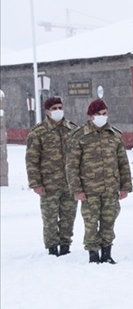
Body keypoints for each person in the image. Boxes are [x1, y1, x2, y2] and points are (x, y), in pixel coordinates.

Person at [66, 99, 132, 264]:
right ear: (90, 116)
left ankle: (107, 253)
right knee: (91, 223)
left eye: (104, 113)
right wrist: (77, 189)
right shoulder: (79, 136)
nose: (102, 117)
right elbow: (72, 166)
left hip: (111, 188)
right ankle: (93, 255)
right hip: (89, 190)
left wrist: (125, 187)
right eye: (98, 114)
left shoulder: (114, 135)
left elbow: (123, 162)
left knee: (109, 221)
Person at [25, 96, 79, 257]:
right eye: (54, 108)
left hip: (70, 183)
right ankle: (52, 248)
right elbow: (32, 160)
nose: (58, 111)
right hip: (49, 184)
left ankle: (65, 246)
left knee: (68, 216)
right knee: (50, 218)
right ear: (47, 111)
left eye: (59, 108)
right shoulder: (38, 132)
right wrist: (35, 183)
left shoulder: (72, 129)